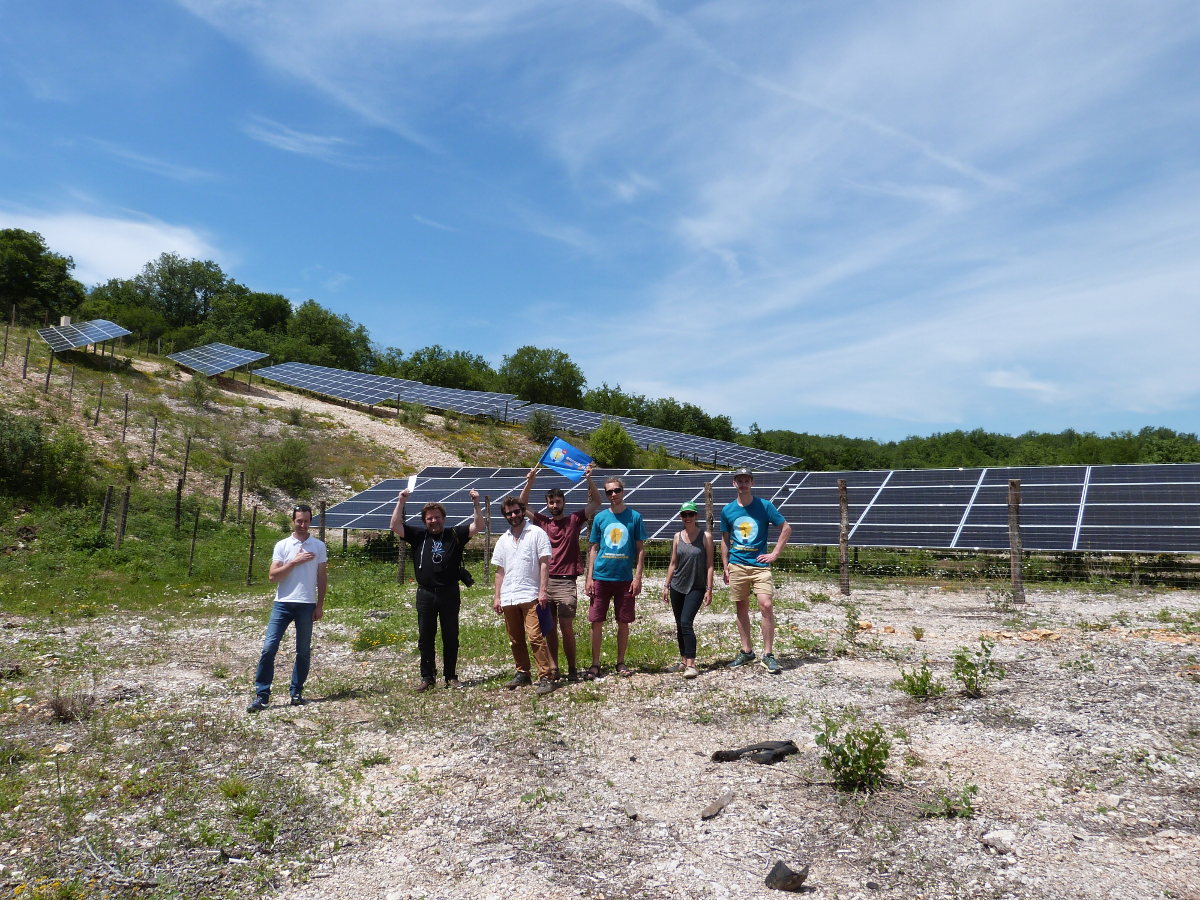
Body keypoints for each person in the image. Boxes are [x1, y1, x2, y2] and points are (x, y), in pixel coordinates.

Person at [390, 486, 483, 691]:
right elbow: (395, 525)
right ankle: (427, 677)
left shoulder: (454, 534)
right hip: (425, 594)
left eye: (438, 517)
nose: (434, 521)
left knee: (451, 636)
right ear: (425, 521)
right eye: (430, 518)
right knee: (425, 638)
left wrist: (476, 504)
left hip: (449, 593)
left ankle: (451, 676)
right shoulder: (418, 536)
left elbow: (478, 525)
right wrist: (401, 501)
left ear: (444, 518)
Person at [517, 462, 603, 682]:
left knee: (566, 627)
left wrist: (589, 479)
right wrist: (530, 482)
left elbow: (597, 502)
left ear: (564, 502)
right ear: (547, 504)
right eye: (551, 502)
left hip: (566, 583)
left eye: (558, 501)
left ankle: (572, 668)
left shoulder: (574, 520)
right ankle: (554, 668)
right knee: (549, 628)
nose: (555, 505)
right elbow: (520, 504)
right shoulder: (542, 522)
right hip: (545, 583)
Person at [248, 504, 328, 711]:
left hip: (306, 604)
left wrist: (320, 605)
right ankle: (262, 694)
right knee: (269, 648)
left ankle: (296, 692)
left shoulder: (318, 546)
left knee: (303, 651)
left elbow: (322, 577)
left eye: (306, 520)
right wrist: (294, 562)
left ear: (311, 522)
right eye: (299, 520)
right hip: (282, 603)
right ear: (293, 521)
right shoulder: (282, 545)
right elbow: (273, 576)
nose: (302, 524)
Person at [720, 467, 793, 674]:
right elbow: (725, 540)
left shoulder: (765, 506)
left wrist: (774, 554)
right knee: (741, 608)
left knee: (766, 605)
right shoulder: (727, 510)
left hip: (760, 565)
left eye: (746, 480)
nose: (743, 484)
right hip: (737, 564)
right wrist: (725, 566)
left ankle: (768, 654)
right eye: (739, 480)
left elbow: (786, 528)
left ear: (752, 483)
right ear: (734, 483)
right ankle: (746, 651)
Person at [491, 495, 556, 695]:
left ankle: (545, 676)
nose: (513, 515)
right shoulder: (503, 540)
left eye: (516, 511)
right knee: (515, 638)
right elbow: (500, 571)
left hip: (530, 594)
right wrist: (497, 596)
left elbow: (545, 563)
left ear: (522, 511)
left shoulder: (537, 533)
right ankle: (522, 672)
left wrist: (543, 590)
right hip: (509, 595)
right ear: (505, 516)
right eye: (509, 513)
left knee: (535, 636)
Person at [584, 476, 646, 679]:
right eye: (609, 492)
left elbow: (640, 549)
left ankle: (621, 662)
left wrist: (638, 577)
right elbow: (593, 548)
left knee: (623, 621)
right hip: (601, 577)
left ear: (623, 491)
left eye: (616, 490)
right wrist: (589, 577)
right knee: (596, 621)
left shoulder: (635, 517)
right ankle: (595, 664)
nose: (613, 495)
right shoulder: (600, 518)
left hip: (625, 579)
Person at [660, 501, 714, 679]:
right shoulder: (677, 537)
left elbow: (710, 565)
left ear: (696, 516)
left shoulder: (705, 536)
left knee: (686, 623)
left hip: (696, 586)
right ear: (681, 517)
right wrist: (666, 585)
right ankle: (683, 660)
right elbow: (673, 563)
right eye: (685, 515)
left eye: (691, 514)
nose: (688, 518)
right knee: (678, 624)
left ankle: (691, 663)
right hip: (677, 585)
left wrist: (709, 588)